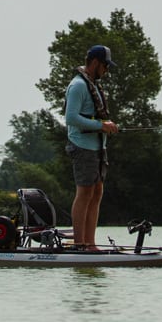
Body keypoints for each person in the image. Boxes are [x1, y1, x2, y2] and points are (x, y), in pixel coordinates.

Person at [65, 44, 120, 248]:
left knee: (97, 192)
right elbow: (71, 117)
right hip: (82, 146)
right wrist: (100, 125)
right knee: (85, 193)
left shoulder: (93, 84)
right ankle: (80, 244)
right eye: (105, 66)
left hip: (98, 147)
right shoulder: (78, 85)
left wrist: (107, 126)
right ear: (95, 63)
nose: (106, 71)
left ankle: (90, 244)